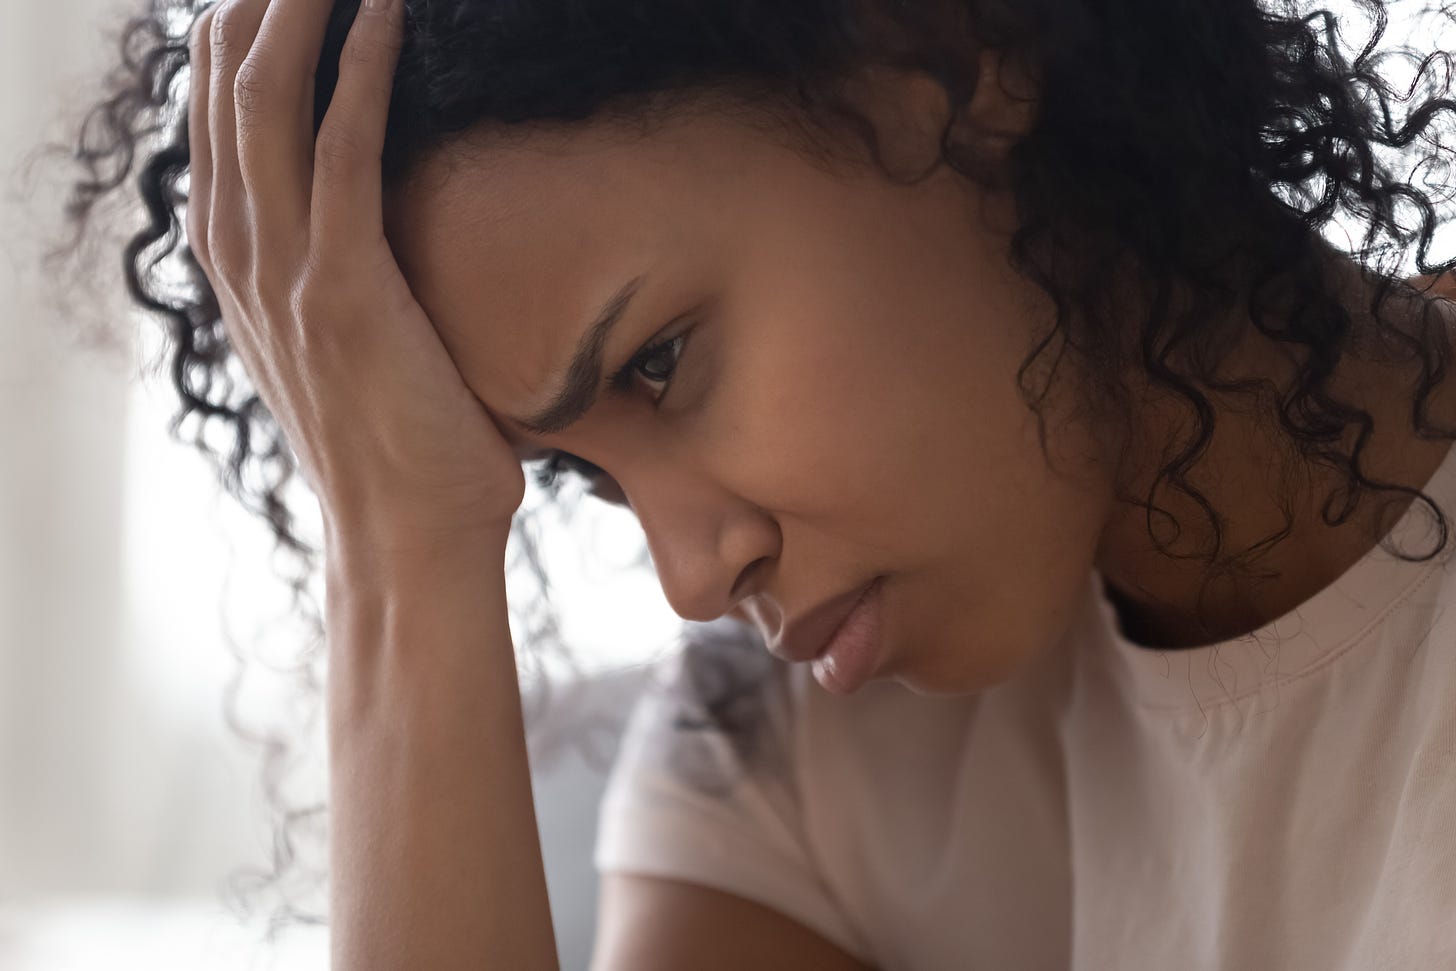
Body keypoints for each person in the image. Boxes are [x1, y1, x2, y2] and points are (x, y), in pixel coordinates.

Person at [55, 0, 1456, 966]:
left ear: (947, 58)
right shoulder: (797, 759)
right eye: (575, 477)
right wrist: (403, 562)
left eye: (658, 365)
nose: (688, 580)